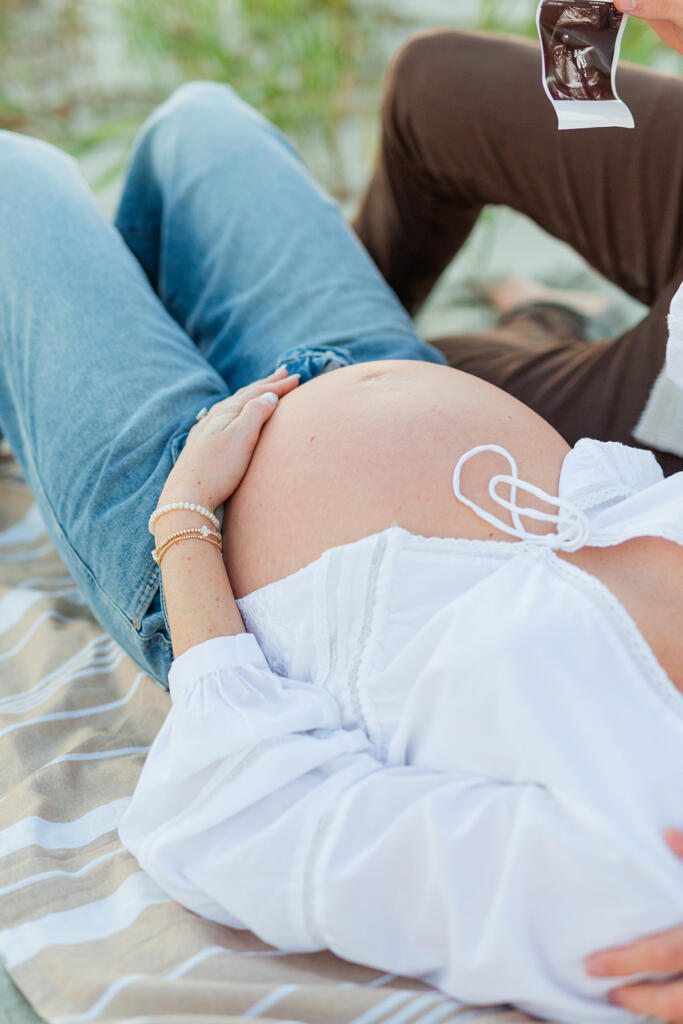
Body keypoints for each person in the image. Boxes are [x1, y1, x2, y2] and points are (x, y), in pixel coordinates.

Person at [0, 17, 680, 1024]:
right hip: (382, 370)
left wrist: (184, 520)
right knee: (203, 123)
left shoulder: (633, 899)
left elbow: (242, 820)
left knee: (18, 177)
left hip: (208, 537)